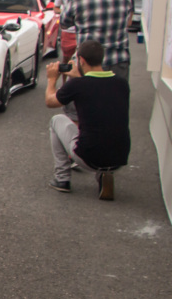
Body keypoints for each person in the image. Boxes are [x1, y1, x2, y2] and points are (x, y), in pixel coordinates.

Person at [44, 39, 130, 199]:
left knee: (56, 120)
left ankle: (62, 179)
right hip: (119, 157)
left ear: (81, 60)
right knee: (104, 128)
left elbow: (50, 101)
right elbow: (97, 92)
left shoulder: (77, 86)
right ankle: (104, 175)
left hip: (88, 157)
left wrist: (51, 79)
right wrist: (78, 77)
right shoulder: (121, 84)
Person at [60, 0, 135, 78]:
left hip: (88, 62)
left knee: (85, 95)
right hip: (118, 59)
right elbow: (128, 20)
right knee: (116, 95)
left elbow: (64, 23)